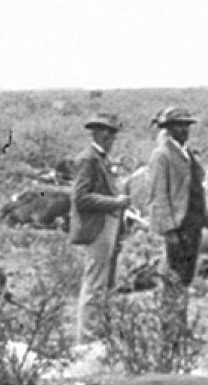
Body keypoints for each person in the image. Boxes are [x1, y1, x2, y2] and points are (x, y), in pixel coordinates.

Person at [68, 113, 130, 345]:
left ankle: (100, 334)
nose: (110, 136)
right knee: (95, 283)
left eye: (112, 132)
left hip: (108, 224)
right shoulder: (88, 159)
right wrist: (115, 202)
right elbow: (80, 198)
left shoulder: (101, 159)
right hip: (98, 226)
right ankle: (87, 339)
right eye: (105, 131)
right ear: (95, 132)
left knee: (105, 283)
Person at [146, 107, 208, 288]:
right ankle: (171, 314)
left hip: (193, 222)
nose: (184, 130)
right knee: (174, 276)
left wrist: (207, 218)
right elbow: (159, 195)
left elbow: (196, 188)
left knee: (186, 276)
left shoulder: (188, 154)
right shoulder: (162, 155)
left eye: (186, 125)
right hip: (177, 225)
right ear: (169, 129)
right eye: (179, 126)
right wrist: (169, 230)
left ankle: (179, 314)